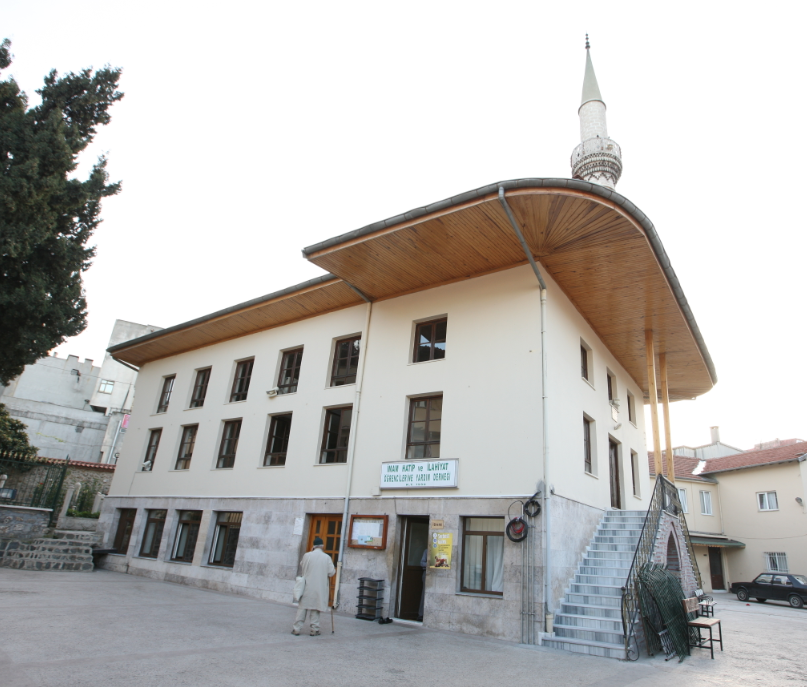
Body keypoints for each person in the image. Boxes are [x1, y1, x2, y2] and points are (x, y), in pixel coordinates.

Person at [292, 537, 335, 636]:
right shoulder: (326, 557)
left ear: (314, 546)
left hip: (306, 586)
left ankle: (296, 628)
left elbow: (302, 564)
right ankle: (314, 629)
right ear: (322, 546)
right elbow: (332, 572)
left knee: (302, 608)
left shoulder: (307, 555)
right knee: (316, 607)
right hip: (319, 587)